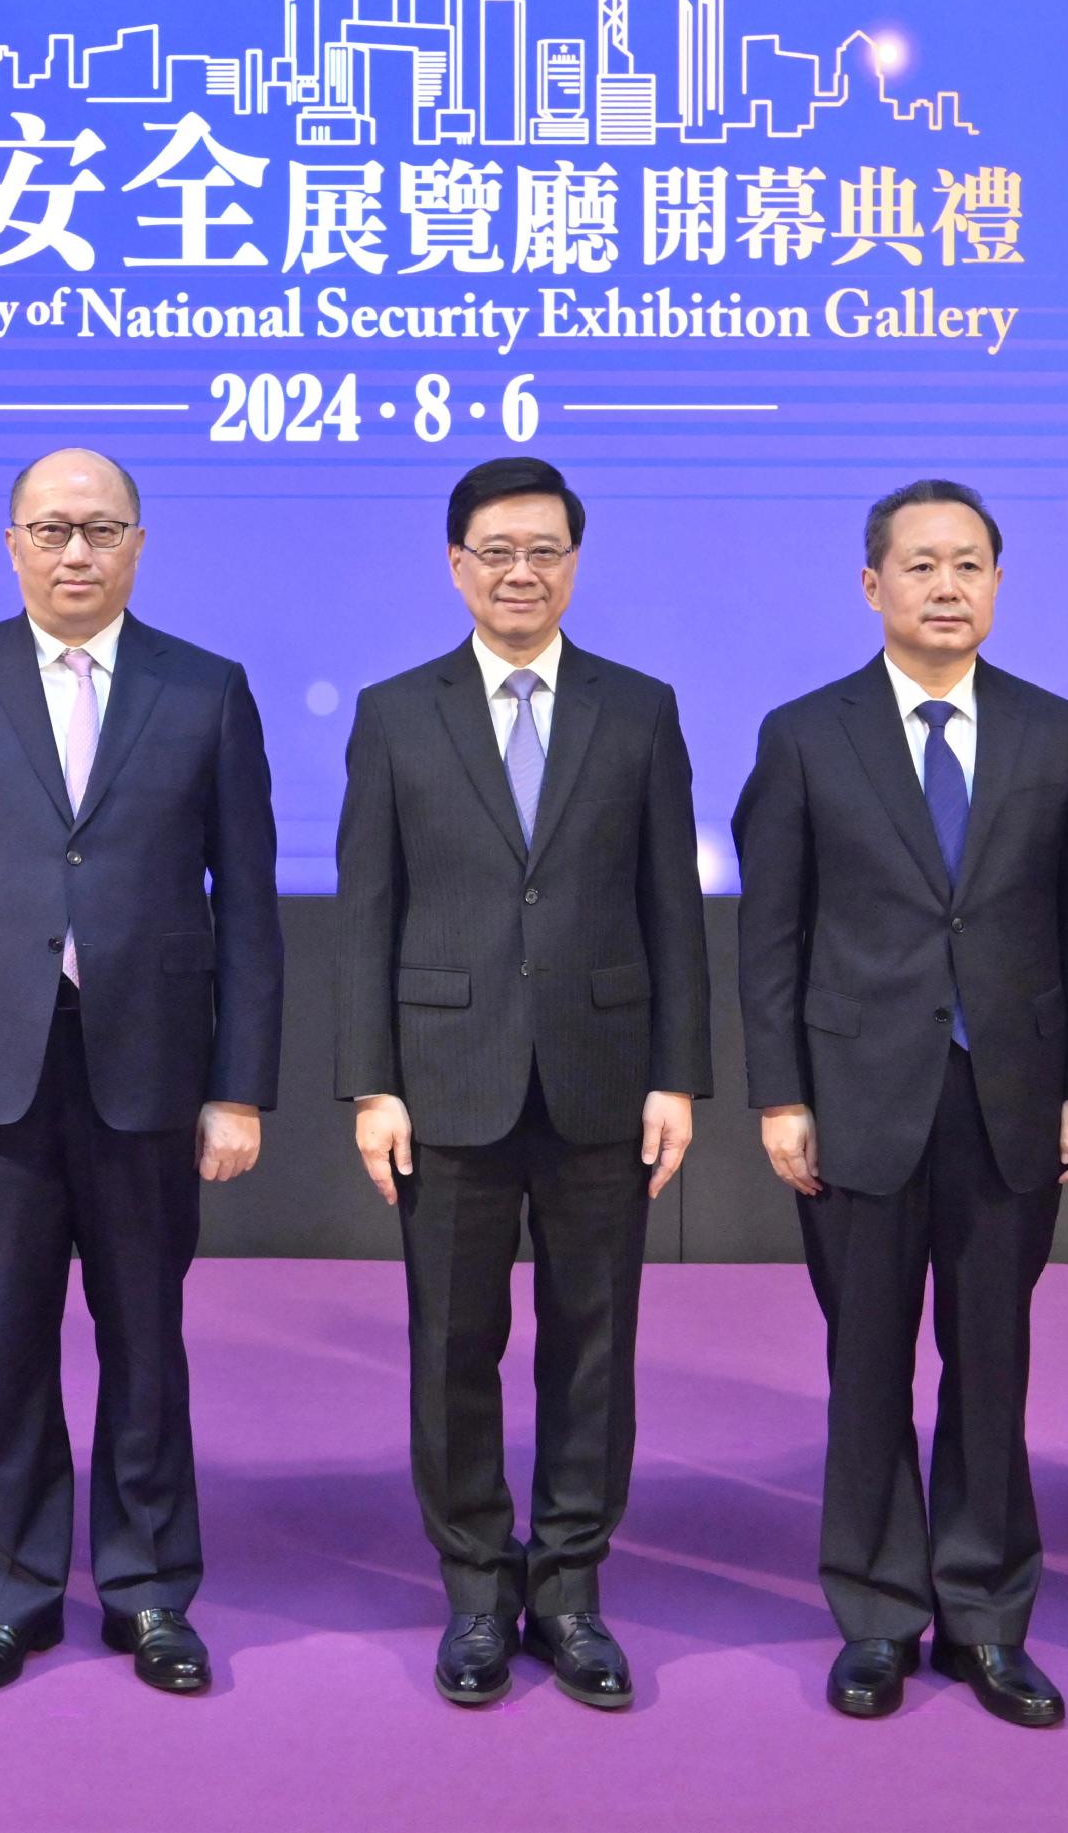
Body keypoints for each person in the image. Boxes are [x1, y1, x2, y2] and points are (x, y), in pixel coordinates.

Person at [0, 447, 281, 1697]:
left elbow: (251, 908)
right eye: (50, 529)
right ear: (10, 543)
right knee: (7, 1340)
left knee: (146, 1340)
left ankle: (152, 1588)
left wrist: (239, 1084)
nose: (75, 552)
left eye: (100, 529)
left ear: (138, 543)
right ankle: (11, 1591)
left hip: (152, 1069)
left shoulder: (205, 689)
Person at [730, 479, 1068, 1725]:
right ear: (872, 586)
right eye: (922, 566)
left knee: (991, 1361)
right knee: (865, 1363)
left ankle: (988, 1614)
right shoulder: (804, 733)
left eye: (969, 566)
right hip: (855, 1096)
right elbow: (770, 936)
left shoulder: (1055, 730)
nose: (947, 587)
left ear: (998, 584)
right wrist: (779, 1093)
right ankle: (878, 1613)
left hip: (1011, 1096)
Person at [332, 455, 712, 1712]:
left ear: (574, 562)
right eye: (496, 549)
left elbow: (671, 904)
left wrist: (680, 1075)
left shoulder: (639, 705)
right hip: (444, 1082)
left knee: (595, 1344)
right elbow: (367, 909)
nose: (520, 571)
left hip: (605, 1078)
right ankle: (478, 1592)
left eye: (544, 549)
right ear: (455, 564)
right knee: (453, 1343)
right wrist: (369, 1082)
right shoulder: (396, 711)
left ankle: (570, 1589)